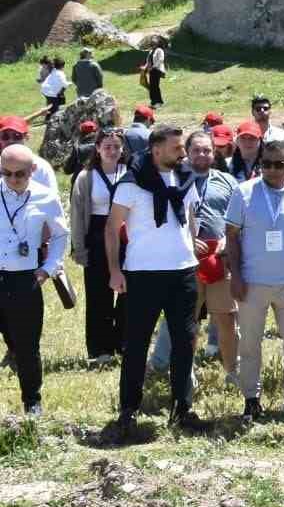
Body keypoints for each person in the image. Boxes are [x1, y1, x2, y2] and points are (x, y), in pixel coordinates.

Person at [107, 124, 204, 439]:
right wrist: (115, 271)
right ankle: (128, 410)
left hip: (183, 272)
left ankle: (182, 408)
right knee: (135, 344)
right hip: (143, 273)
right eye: (176, 147)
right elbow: (111, 228)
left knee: (184, 343)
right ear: (156, 149)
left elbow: (188, 217)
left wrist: (192, 245)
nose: (182, 152)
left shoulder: (186, 178)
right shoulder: (131, 183)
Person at [225, 135, 284, 416]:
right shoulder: (243, 192)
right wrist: (237, 277)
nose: (272, 170)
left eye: (278, 164)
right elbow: (231, 236)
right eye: (266, 164)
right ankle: (251, 399)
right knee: (250, 343)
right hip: (252, 282)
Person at [0, 145, 67, 416]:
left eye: (20, 174)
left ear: (33, 171)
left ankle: (32, 402)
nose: (13, 179)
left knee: (27, 346)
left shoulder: (46, 197)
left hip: (25, 279)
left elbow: (62, 234)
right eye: (6, 173)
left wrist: (49, 267)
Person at [70, 126, 127, 366]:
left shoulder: (131, 172)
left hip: (127, 236)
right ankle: (99, 348)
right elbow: (75, 214)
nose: (112, 151)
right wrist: (79, 248)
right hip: (97, 234)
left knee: (129, 291)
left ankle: (123, 340)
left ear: (122, 149)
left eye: (116, 147)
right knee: (98, 294)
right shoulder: (86, 176)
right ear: (97, 149)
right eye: (107, 147)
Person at [185, 130, 238, 387]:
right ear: (187, 152)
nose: (202, 154)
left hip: (220, 257)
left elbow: (239, 216)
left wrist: (229, 241)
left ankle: (232, 371)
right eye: (196, 150)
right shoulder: (176, 180)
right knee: (188, 319)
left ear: (214, 152)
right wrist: (186, 239)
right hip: (187, 260)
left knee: (227, 317)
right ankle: (187, 371)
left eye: (206, 150)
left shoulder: (227, 181)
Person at [0, 116, 55, 191]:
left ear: (26, 137)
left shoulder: (42, 167)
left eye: (17, 136)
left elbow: (51, 197)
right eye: (5, 136)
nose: (11, 140)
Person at [144, 37, 167, 107]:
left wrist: (153, 67)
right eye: (152, 43)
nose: (152, 45)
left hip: (157, 70)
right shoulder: (151, 51)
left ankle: (159, 102)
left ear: (157, 44)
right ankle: (153, 101)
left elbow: (161, 60)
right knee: (151, 86)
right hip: (151, 71)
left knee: (155, 86)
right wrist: (145, 67)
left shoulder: (159, 50)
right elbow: (148, 60)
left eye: (154, 43)